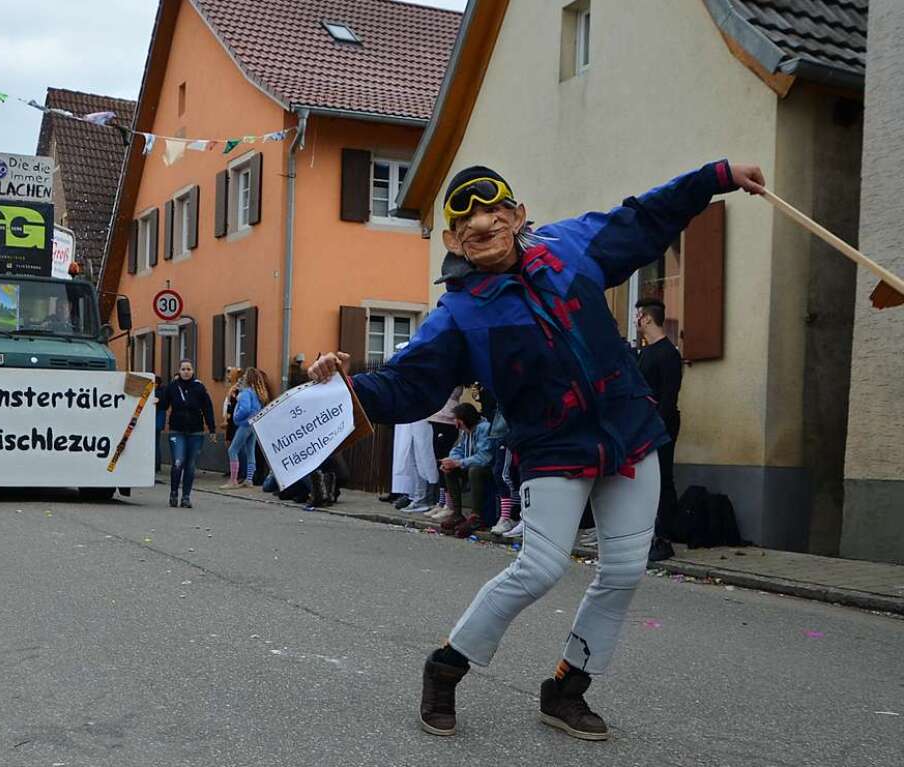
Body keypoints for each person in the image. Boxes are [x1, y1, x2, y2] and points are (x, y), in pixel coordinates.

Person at [309, 158, 764, 740]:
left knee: (624, 571)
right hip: (552, 448)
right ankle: (446, 667)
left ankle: (566, 689)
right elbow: (407, 382)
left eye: (496, 207)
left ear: (519, 215)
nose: (484, 220)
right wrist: (342, 389)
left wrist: (716, 177)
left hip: (628, 433)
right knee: (539, 568)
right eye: (467, 216)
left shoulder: (573, 246)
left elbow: (645, 218)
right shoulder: (460, 315)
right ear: (453, 240)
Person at [635, 297, 683, 561]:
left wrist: (658, 428)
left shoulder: (668, 354)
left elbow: (668, 397)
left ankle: (664, 539)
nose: (636, 321)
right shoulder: (647, 352)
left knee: (663, 480)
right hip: (646, 427)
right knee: (647, 483)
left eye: (638, 316)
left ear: (647, 318)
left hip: (661, 427)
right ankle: (648, 534)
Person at [158, 359, 216, 508]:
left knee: (190, 465)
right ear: (179, 371)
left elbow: (207, 408)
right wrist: (157, 396)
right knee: (178, 462)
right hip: (177, 430)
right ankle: (173, 493)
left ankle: (186, 496)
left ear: (193, 371)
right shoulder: (172, 386)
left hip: (196, 431)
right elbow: (164, 404)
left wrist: (212, 428)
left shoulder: (199, 387)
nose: (186, 372)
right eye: (183, 369)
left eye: (188, 369)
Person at [439, 403, 493, 538]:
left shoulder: (484, 428)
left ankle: (476, 517)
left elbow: (484, 457)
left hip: (486, 469)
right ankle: (457, 513)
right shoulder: (465, 431)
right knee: (449, 470)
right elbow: (458, 449)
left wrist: (459, 463)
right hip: (469, 465)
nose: (455, 422)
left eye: (457, 419)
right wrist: (451, 462)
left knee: (474, 470)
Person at [224, 367, 269, 488]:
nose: (241, 379)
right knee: (250, 452)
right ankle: (249, 480)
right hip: (254, 425)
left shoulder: (245, 393)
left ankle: (233, 480)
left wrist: (236, 417)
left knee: (232, 450)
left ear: (247, 379)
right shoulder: (257, 394)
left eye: (243, 377)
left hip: (244, 425)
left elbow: (245, 409)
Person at [424, 385, 463, 518]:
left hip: (447, 419)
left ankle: (449, 504)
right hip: (436, 416)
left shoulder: (452, 376)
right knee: (438, 463)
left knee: (445, 462)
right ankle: (441, 502)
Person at [153, 375, 166, 474]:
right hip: (158, 423)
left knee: (154, 444)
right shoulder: (163, 392)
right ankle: (157, 465)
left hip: (155, 423)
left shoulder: (157, 393)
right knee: (156, 444)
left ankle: (155, 465)